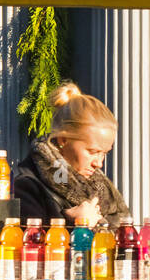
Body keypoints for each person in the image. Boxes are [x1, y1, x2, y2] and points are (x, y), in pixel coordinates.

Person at [13, 82, 131, 229]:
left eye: (104, 153)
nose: (99, 163)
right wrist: (76, 224)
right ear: (63, 140)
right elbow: (32, 246)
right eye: (93, 152)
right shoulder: (28, 187)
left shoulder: (102, 190)